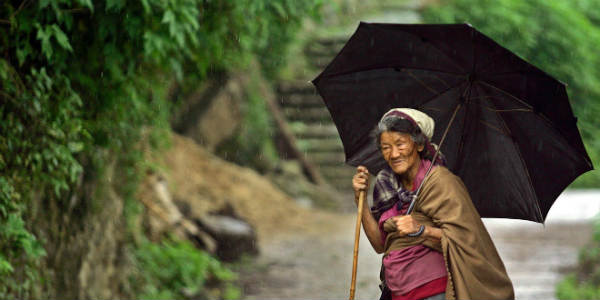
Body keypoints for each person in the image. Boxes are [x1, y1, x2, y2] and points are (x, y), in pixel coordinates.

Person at [352, 108, 514, 300]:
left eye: (400, 144)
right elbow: (380, 245)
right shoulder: (385, 183)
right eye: (386, 147)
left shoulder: (441, 182)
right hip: (396, 288)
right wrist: (359, 198)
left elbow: (466, 239)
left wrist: (422, 230)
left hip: (433, 288)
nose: (394, 154)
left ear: (419, 145)